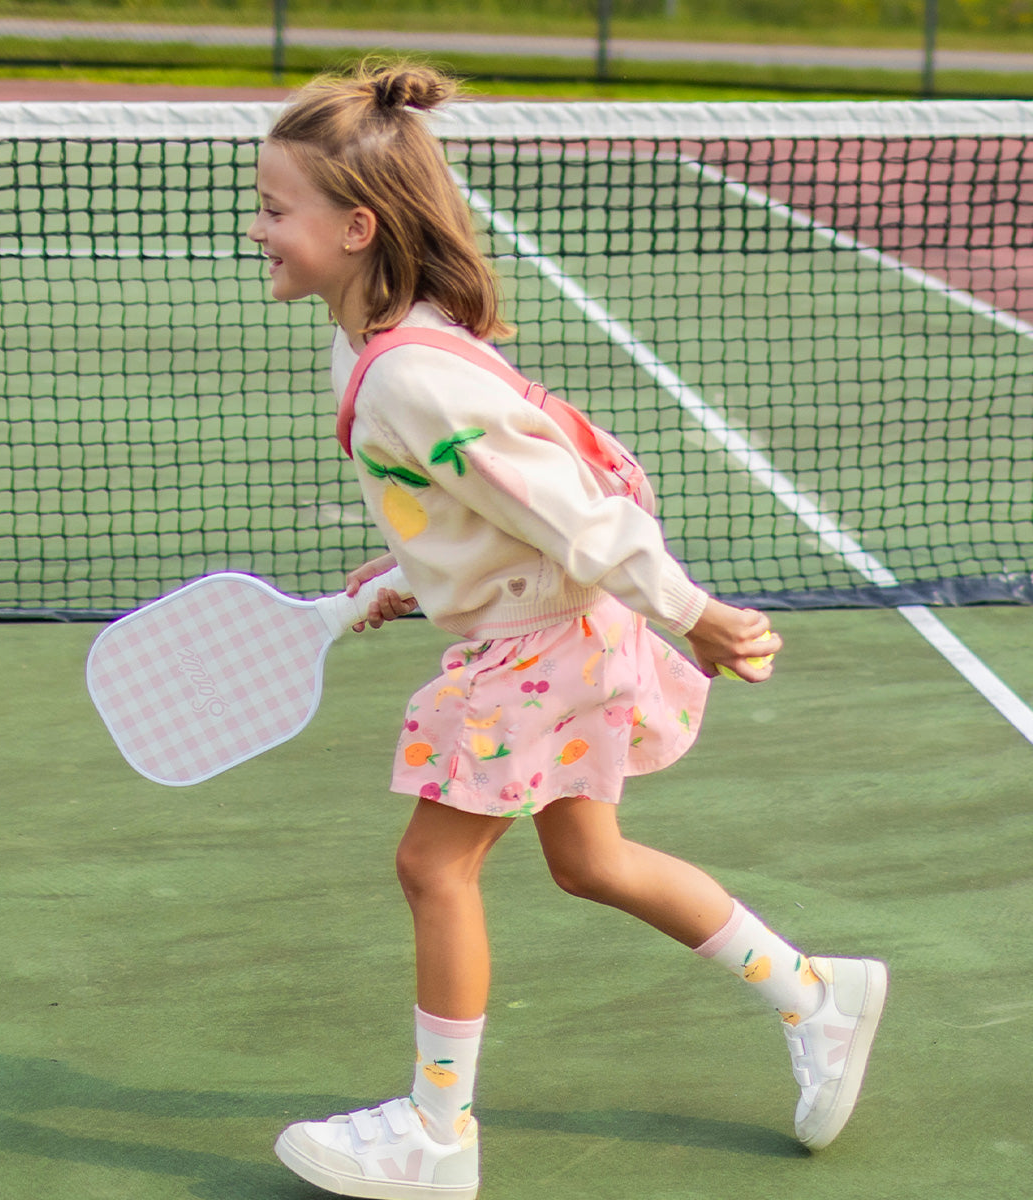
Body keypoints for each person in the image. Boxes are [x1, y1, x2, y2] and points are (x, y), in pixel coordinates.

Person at [248, 61, 888, 1200]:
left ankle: (436, 1138)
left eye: (273, 209)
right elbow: (470, 507)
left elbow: (567, 509)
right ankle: (816, 996)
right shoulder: (381, 343)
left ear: (355, 227)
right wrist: (413, 565)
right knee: (590, 861)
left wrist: (694, 615)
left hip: (546, 645)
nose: (258, 229)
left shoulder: (404, 378)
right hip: (554, 629)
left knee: (430, 865)